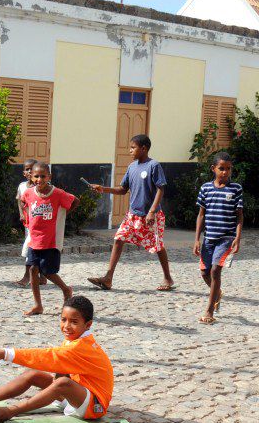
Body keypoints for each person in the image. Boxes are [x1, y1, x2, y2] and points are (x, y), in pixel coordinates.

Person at [0, 295, 113, 423]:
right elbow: (60, 366)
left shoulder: (81, 346)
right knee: (33, 374)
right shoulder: (74, 340)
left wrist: (6, 353)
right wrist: (53, 388)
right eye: (63, 320)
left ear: (88, 325)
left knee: (62, 383)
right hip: (74, 397)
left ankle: (9, 412)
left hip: (94, 405)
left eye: (74, 322)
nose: (66, 326)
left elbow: (46, 357)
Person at [87, 134, 175, 291]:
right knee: (118, 239)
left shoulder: (154, 165)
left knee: (157, 246)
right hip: (132, 215)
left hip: (150, 215)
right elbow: (122, 190)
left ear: (144, 148)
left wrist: (152, 211)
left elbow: (161, 188)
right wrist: (103, 188)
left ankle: (168, 278)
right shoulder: (131, 167)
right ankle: (108, 278)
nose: (130, 150)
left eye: (133, 147)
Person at [20, 162, 79, 316]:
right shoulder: (28, 193)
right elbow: (23, 202)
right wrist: (25, 217)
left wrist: (62, 216)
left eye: (43, 176)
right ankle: (38, 305)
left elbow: (75, 201)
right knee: (33, 269)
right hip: (34, 239)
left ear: (49, 177)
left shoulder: (58, 193)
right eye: (36, 176)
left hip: (51, 240)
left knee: (47, 272)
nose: (39, 179)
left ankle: (66, 289)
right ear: (31, 177)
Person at [193, 152, 243, 324]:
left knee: (215, 270)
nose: (225, 172)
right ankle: (217, 292)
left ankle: (210, 310)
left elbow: (239, 216)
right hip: (209, 238)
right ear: (213, 169)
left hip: (226, 238)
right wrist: (197, 239)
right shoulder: (205, 188)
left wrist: (237, 237)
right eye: (221, 168)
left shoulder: (236, 189)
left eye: (228, 169)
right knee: (204, 272)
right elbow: (201, 215)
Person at [14, 158, 47, 287]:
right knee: (34, 248)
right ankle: (42, 276)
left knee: (30, 248)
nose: (29, 172)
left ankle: (28, 277)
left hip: (38, 224)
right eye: (27, 169)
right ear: (24, 173)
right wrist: (21, 213)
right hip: (27, 223)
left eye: (31, 169)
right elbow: (19, 200)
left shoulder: (39, 187)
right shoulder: (22, 186)